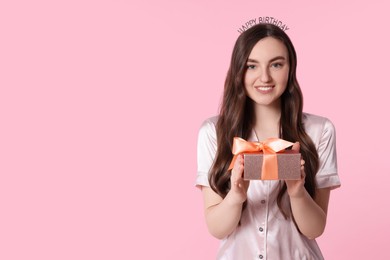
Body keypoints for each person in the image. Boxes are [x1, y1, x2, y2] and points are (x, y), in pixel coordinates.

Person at [195, 23, 341, 259]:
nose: (264, 77)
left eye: (276, 64)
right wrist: (236, 196)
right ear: (238, 71)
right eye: (251, 66)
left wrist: (297, 192)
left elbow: (315, 229)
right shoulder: (213, 132)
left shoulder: (319, 130)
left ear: (290, 68)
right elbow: (216, 228)